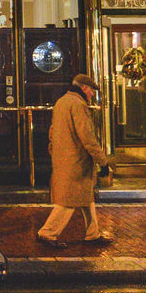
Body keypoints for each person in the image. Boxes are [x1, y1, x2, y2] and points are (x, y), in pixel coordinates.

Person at [36, 74, 114, 248]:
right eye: (92, 91)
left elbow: (52, 131)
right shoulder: (78, 105)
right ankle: (47, 233)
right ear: (84, 88)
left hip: (63, 158)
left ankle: (92, 233)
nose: (92, 94)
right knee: (69, 201)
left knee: (86, 197)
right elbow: (87, 137)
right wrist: (103, 161)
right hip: (76, 161)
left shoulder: (62, 102)